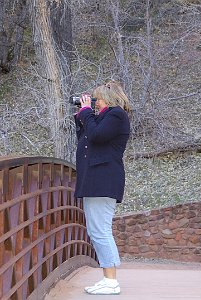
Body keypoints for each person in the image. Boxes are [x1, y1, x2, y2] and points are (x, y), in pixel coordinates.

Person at [73, 81, 131, 295]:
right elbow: (87, 138)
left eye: (97, 99)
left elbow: (97, 135)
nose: (95, 103)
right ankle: (108, 277)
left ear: (109, 98)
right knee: (96, 230)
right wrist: (82, 115)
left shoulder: (117, 115)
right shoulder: (104, 118)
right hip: (96, 180)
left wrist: (87, 112)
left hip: (103, 180)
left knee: (100, 230)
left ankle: (111, 280)